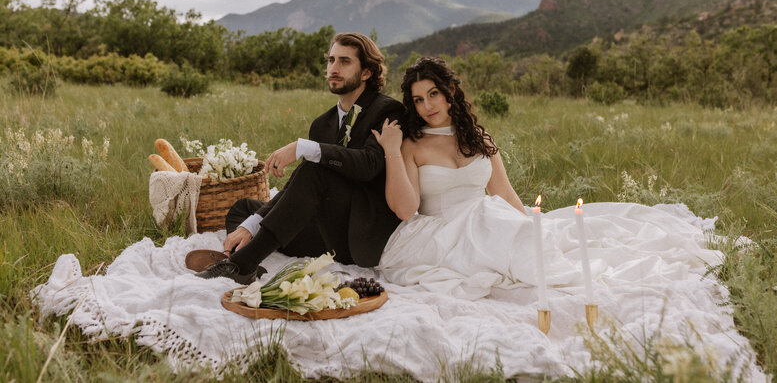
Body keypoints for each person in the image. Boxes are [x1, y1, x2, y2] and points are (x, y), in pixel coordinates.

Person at [197, 32, 404, 284]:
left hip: (358, 235)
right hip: (322, 231)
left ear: (366, 72)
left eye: (345, 62)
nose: (334, 68)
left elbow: (369, 166)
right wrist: (250, 225)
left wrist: (305, 147)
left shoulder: (388, 110)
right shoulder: (323, 124)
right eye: (331, 60)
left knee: (314, 171)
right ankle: (237, 253)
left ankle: (241, 266)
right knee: (245, 210)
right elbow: (300, 185)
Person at [373, 56, 581, 299]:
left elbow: (503, 192)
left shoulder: (479, 138)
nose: (427, 106)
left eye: (433, 94)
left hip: (485, 218)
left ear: (450, 91)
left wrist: (529, 227)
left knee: (524, 242)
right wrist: (391, 150)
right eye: (419, 100)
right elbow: (405, 210)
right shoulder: (413, 146)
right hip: (442, 232)